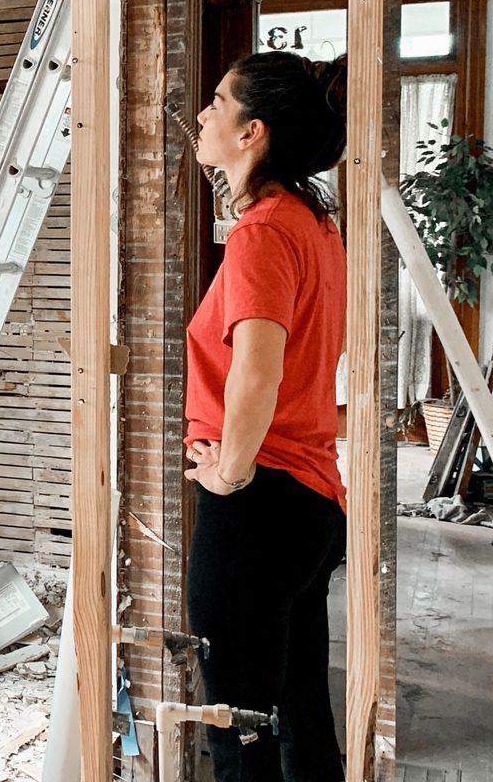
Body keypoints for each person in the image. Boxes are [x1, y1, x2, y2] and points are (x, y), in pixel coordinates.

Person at [184, 51, 350, 781]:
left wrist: (229, 470)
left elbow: (258, 367)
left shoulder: (261, 232)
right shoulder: (313, 222)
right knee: (299, 716)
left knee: (239, 728)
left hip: (258, 506)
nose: (202, 114)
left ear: (251, 132)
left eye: (218, 102)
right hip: (309, 502)